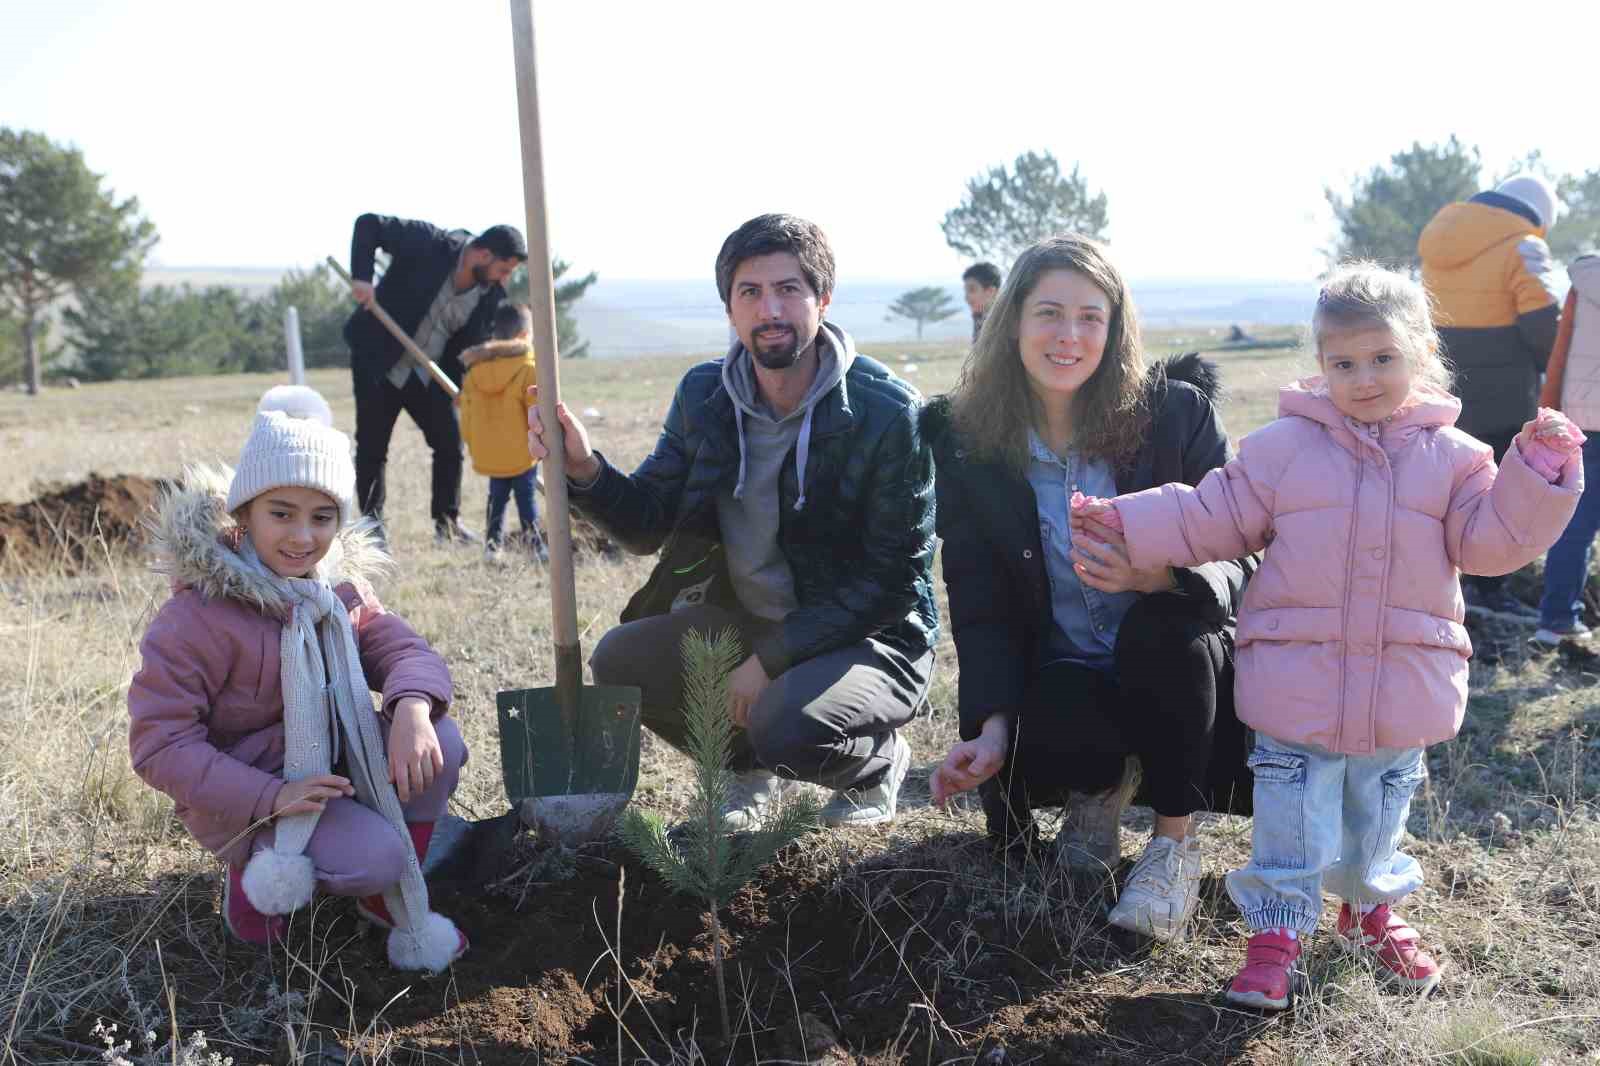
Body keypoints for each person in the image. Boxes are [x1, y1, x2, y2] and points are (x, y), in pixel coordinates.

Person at [1077, 263, 1582, 1009]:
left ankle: (1370, 909)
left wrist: (1535, 473)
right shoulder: (1282, 450)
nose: (1364, 378)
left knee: (1379, 808)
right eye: (1343, 363)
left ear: (1419, 353)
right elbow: (1211, 513)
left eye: (1382, 358)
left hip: (1401, 683)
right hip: (1296, 680)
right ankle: (1276, 932)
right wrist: (1129, 519)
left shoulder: (1458, 460)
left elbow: (1493, 544)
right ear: (1320, 365)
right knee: (1291, 813)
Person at [527, 213, 937, 829]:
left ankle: (873, 764)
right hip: (747, 624)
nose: (769, 309)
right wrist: (586, 470)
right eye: (750, 292)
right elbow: (648, 522)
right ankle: (747, 772)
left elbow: (891, 582)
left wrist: (772, 659)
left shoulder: (888, 413)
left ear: (822, 300)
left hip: (870, 640)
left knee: (786, 723)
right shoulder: (705, 396)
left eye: (788, 289)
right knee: (621, 661)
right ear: (730, 308)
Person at [925, 233, 1256, 943]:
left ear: (1116, 328)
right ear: (1012, 320)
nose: (1068, 336)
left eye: (1090, 317)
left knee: (1160, 630)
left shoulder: (1177, 416)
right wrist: (989, 727)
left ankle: (1173, 847)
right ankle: (1102, 784)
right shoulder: (972, 446)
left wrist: (1163, 575)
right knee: (1059, 708)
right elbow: (979, 603)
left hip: (1186, 672)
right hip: (1067, 673)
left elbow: (1245, 555)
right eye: (1048, 313)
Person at [127, 386, 470, 973]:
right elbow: (159, 745)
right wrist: (271, 799)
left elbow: (403, 649)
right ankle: (254, 871)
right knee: (378, 855)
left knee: (444, 740)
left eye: (322, 517)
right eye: (280, 513)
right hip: (247, 794)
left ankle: (378, 900)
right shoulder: (196, 616)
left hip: (331, 770)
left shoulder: (337, 594)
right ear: (243, 515)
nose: (303, 537)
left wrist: (412, 706)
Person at [1419, 174, 1565, 618]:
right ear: (1539, 214)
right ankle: (1490, 591)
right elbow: (1542, 324)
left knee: (1444, 486)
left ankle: (1439, 582)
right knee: (1498, 493)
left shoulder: (1439, 238)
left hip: (1443, 382)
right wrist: (1553, 374)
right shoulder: (1524, 245)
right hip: (1504, 394)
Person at [342, 214, 528, 545]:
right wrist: (363, 278)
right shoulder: (430, 243)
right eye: (504, 268)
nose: (505, 278)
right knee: (372, 444)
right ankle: (373, 527)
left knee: (448, 444)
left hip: (425, 374)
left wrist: (466, 384)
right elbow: (368, 224)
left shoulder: (489, 295)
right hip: (378, 361)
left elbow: (470, 345)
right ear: (484, 255)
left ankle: (447, 524)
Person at [1536, 253, 1600, 645]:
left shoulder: (1585, 278)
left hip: (1583, 417)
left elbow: (1560, 349)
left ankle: (1556, 620)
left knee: (1575, 528)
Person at [460, 302, 547, 563]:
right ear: (523, 336)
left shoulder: (475, 371)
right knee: (526, 501)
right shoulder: (529, 370)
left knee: (496, 501)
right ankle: (536, 547)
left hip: (490, 454)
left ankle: (491, 548)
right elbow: (537, 414)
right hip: (522, 454)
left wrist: (475, 446)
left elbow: (466, 416)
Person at [962, 262, 1003, 342]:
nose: (966, 298)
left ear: (991, 291)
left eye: (972, 290)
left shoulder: (1005, 324)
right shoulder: (979, 318)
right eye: (966, 291)